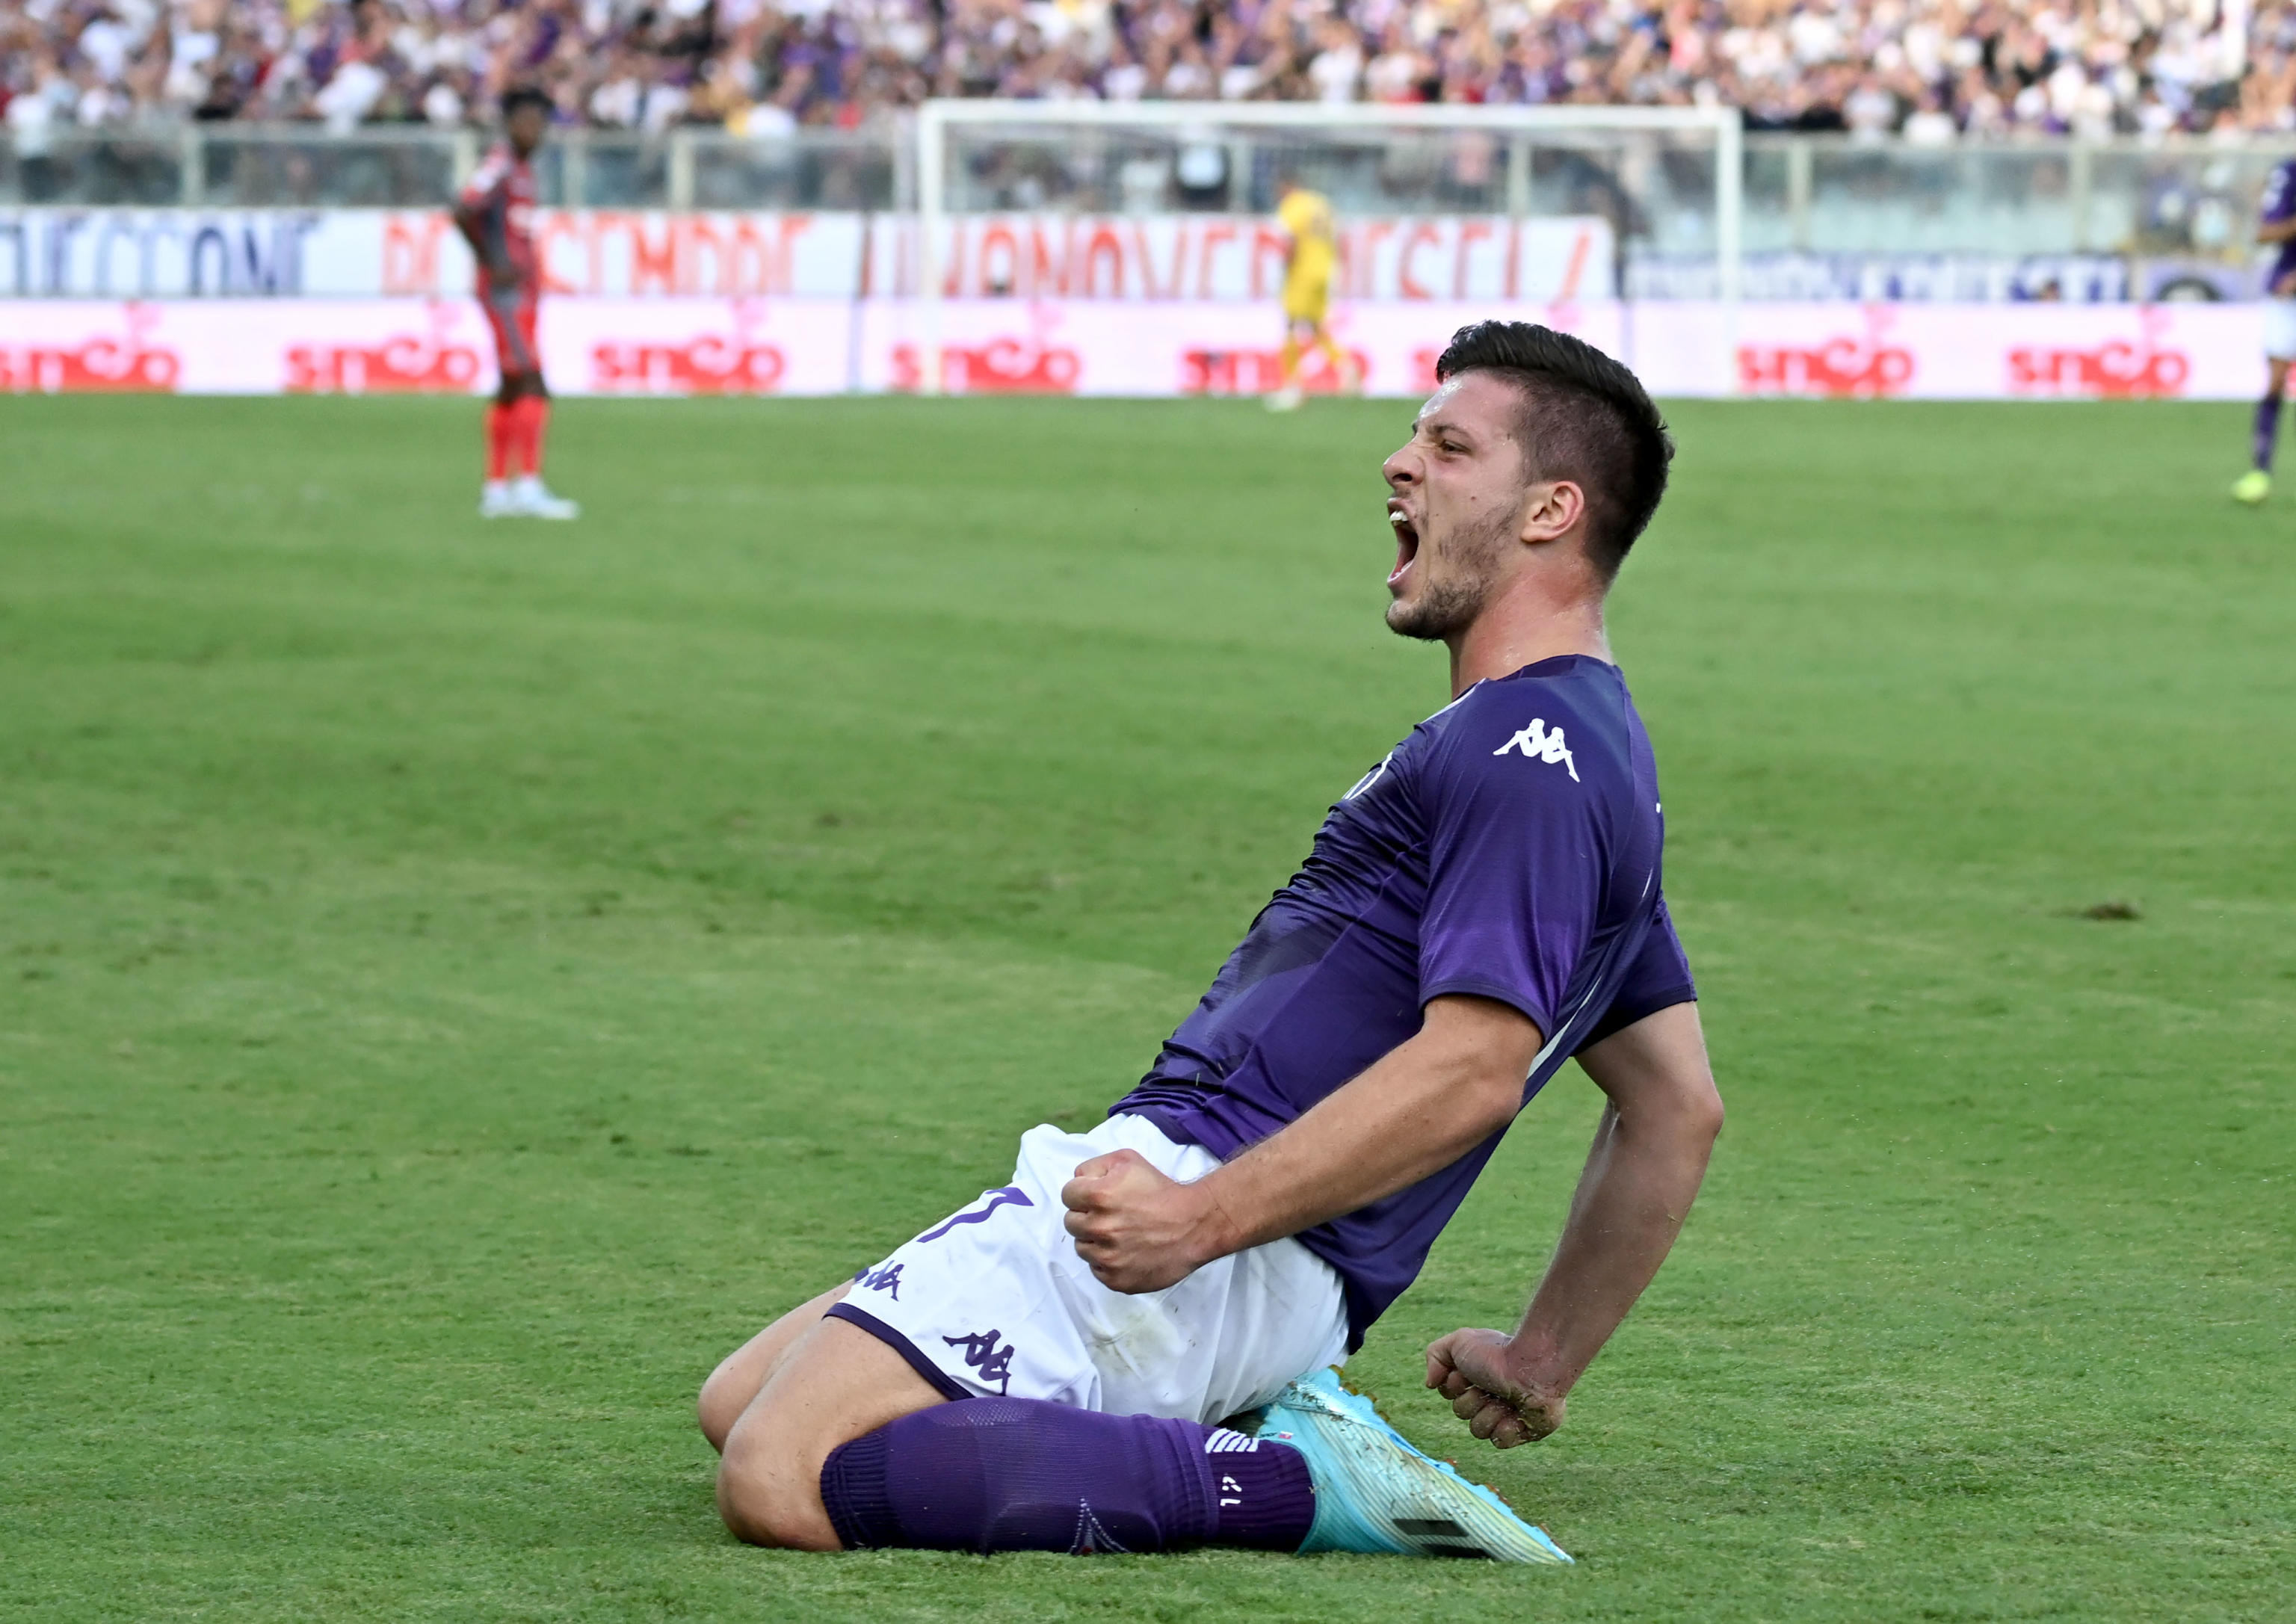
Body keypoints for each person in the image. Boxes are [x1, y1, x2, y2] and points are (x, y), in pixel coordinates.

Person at [698, 321, 1724, 1564]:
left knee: (780, 1470)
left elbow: (1472, 1066)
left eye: (1450, 446)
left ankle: (1291, 1477)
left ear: (1552, 509)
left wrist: (1200, 1217)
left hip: (1219, 1210)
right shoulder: (1593, 761)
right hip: (1258, 1253)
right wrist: (1539, 1358)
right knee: (741, 1398)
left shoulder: (1524, 754)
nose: (1400, 462)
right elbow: (1674, 1106)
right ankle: (1249, 1418)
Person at [454, 86, 579, 520]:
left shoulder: (524, 169)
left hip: (522, 292)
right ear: (509, 124)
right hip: (505, 293)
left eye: (541, 123)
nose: (535, 131)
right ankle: (527, 484)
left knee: (510, 385)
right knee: (532, 382)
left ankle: (496, 489)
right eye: (527, 122)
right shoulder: (501, 164)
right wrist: (493, 263)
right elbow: (463, 210)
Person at [2233, 154, 2296, 505]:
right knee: (2275, 382)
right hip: (2286, 296)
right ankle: (2260, 470)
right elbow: (2264, 232)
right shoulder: (2289, 173)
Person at [1265, 176, 1357, 411]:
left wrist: (1286, 270)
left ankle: (1293, 386)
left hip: (1302, 272)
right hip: (1325, 271)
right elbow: (1337, 237)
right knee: (1315, 326)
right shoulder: (1322, 203)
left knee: (1291, 325)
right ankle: (1346, 368)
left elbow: (1290, 242)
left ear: (1285, 186)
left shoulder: (1292, 205)